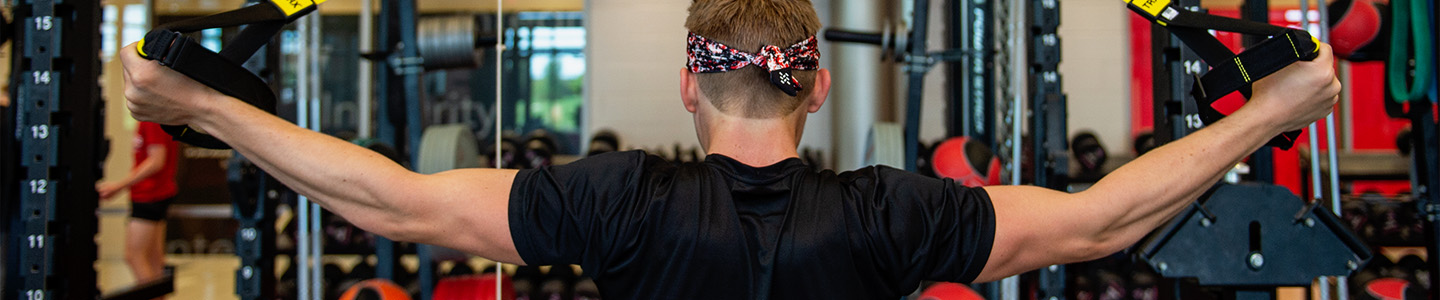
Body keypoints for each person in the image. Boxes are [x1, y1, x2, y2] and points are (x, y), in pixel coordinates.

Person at [116, 0, 1342, 298]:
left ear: (692, 86)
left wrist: (208, 107)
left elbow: (390, 204)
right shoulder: (892, 213)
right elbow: (1103, 221)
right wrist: (1267, 118)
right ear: (813, 85)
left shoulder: (616, 201)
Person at [96, 121, 180, 294]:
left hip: (150, 195)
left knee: (134, 255)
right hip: (156, 194)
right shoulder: (157, 117)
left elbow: (156, 161)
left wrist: (118, 186)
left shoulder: (152, 119)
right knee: (153, 258)